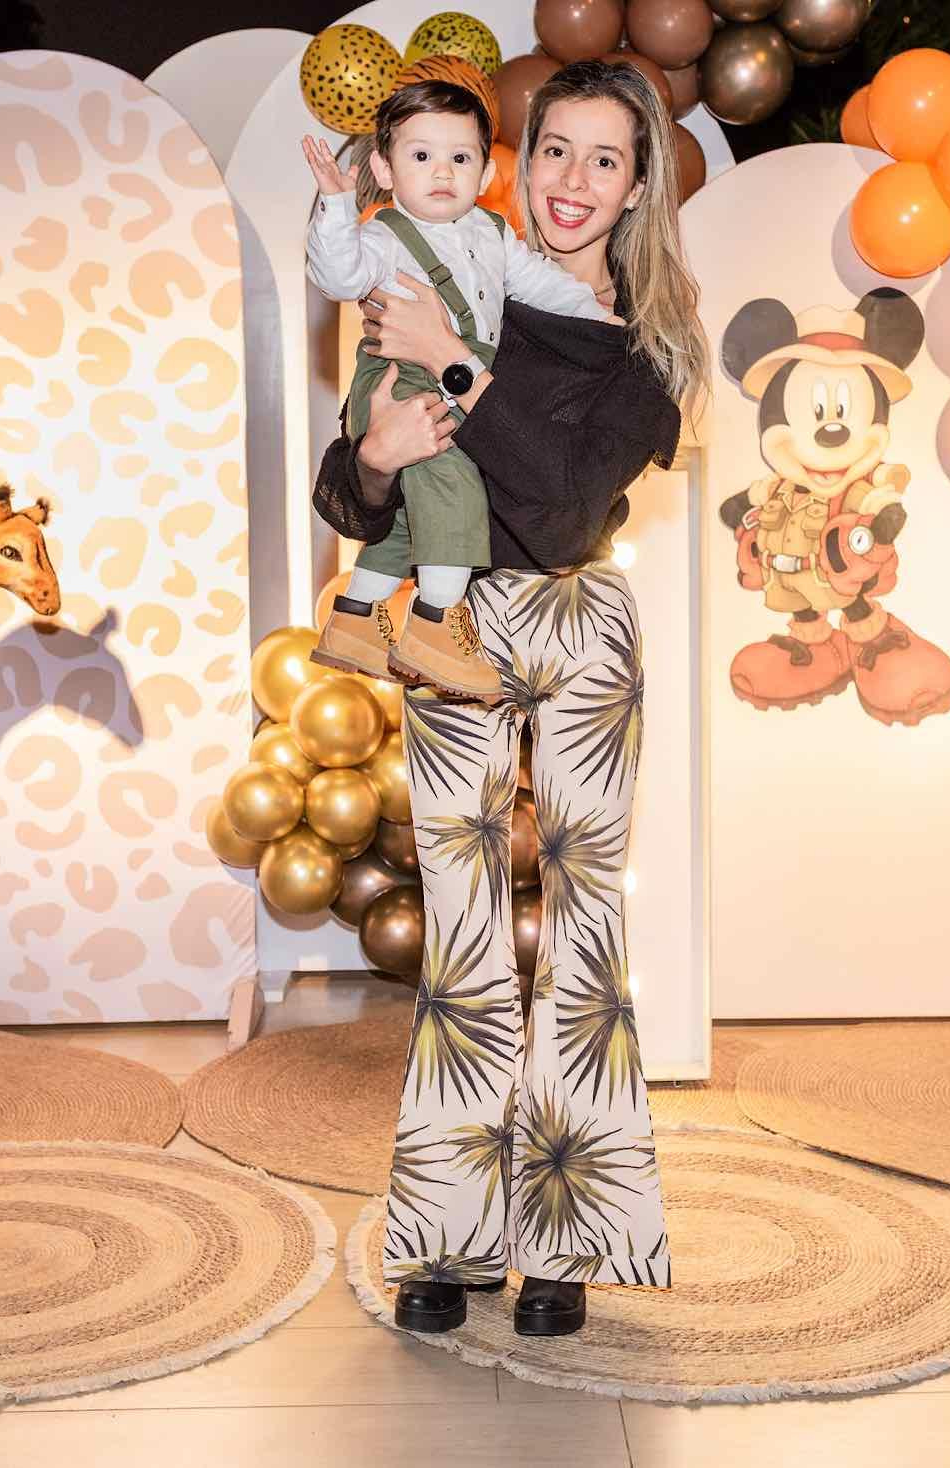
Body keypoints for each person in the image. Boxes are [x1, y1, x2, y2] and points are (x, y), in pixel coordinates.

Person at [312, 59, 707, 1339]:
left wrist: (454, 370)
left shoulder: (648, 347)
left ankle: (568, 1240)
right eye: (554, 150)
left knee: (584, 935)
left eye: (605, 158)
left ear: (638, 185)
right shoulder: (446, 266)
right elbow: (351, 482)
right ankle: (447, 1235)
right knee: (463, 935)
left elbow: (565, 504)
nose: (572, 180)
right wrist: (377, 458)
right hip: (452, 628)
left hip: (581, 621)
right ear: (516, 162)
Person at [303, 78, 612, 702]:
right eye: (421, 156)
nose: (442, 171)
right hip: (402, 381)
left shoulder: (492, 234)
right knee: (454, 485)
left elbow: (542, 285)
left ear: (485, 172)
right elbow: (337, 274)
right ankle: (437, 621)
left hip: (449, 378)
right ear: (385, 170)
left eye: (460, 157)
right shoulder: (383, 236)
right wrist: (335, 205)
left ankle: (355, 616)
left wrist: (599, 320)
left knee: (412, 516)